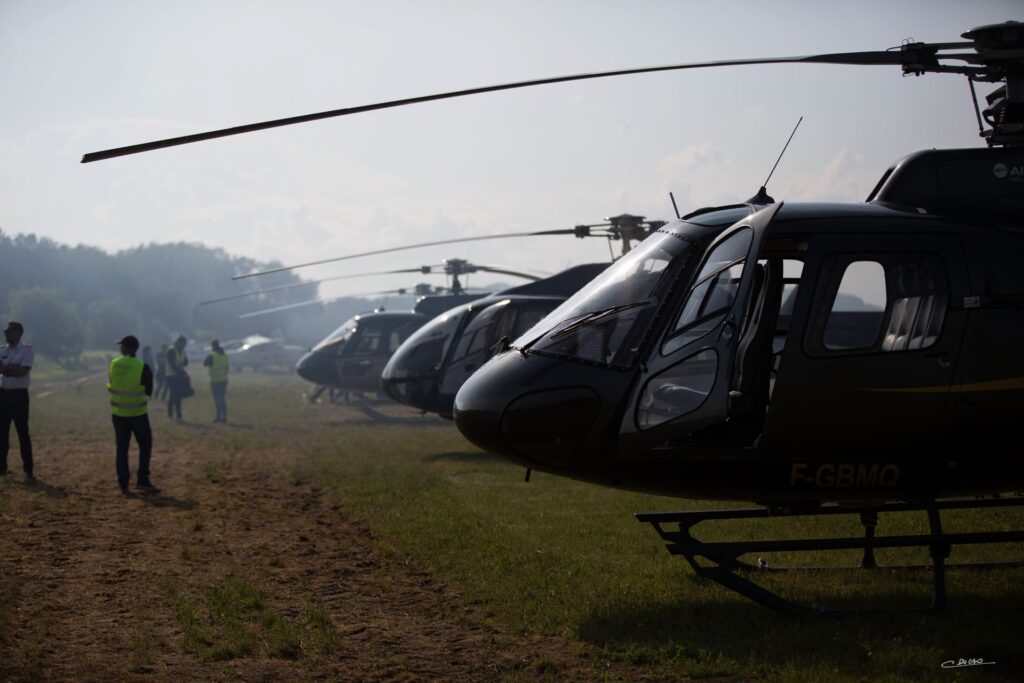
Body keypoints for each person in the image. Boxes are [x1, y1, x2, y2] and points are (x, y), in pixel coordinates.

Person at [108, 335, 159, 494]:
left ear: (129, 348)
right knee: (145, 445)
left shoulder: (114, 364)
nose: (120, 348)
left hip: (118, 414)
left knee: (121, 449)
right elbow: (149, 391)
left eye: (122, 346)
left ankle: (123, 483)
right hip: (138, 414)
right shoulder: (143, 367)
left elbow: (112, 382)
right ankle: (142, 479)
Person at [0, 321, 34, 483]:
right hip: (4, 395)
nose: (6, 334)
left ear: (19, 333)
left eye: (10, 331)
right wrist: (12, 368)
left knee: (22, 433)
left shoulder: (26, 349)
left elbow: (24, 371)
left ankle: (28, 469)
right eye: (6, 331)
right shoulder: (2, 350)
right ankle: (1, 467)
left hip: (19, 396)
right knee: (2, 433)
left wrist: (8, 369)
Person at [165, 335, 189, 423]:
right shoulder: (171, 351)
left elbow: (186, 361)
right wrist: (182, 372)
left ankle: (179, 416)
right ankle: (169, 416)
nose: (184, 345)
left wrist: (182, 366)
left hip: (179, 377)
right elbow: (172, 365)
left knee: (178, 396)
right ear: (179, 342)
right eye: (183, 343)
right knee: (172, 396)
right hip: (171, 376)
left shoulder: (182, 351)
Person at [203, 339, 229, 422]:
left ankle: (218, 417)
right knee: (222, 398)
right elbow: (227, 367)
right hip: (224, 379)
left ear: (212, 346)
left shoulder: (212, 355)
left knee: (217, 399)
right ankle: (224, 417)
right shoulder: (224, 354)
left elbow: (205, 363)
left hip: (215, 380)